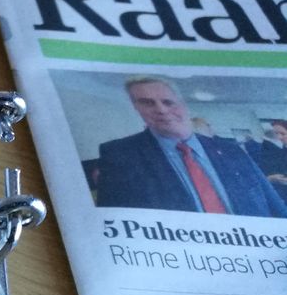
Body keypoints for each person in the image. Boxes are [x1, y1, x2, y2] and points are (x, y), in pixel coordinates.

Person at [94, 76, 287, 217]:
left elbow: (274, 204)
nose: (161, 110)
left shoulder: (231, 149)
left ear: (182, 104)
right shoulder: (119, 155)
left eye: (168, 102)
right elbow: (114, 219)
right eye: (147, 103)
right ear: (136, 107)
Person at [255, 119, 287, 201]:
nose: (279, 137)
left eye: (283, 134)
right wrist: (270, 179)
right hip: (273, 196)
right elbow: (254, 178)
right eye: (275, 134)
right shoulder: (263, 153)